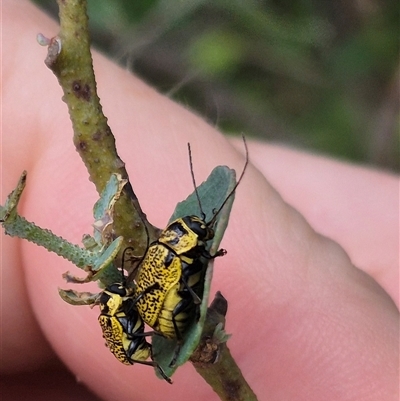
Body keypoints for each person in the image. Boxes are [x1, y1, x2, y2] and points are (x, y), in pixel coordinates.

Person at [1, 1, 398, 400]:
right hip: (165, 312)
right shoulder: (170, 257)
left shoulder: (169, 253)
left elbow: (178, 269)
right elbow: (179, 269)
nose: (197, 232)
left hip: (165, 311)